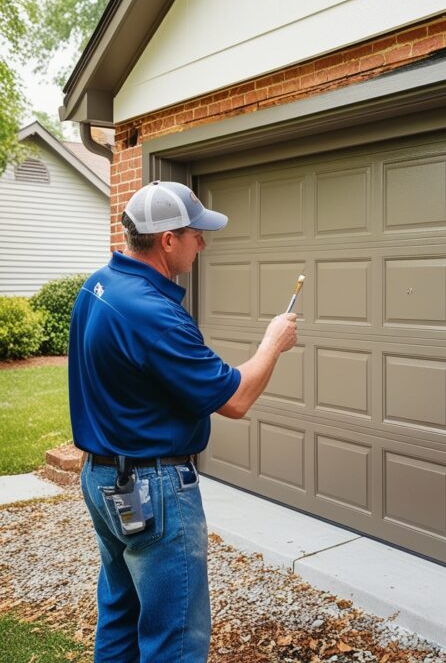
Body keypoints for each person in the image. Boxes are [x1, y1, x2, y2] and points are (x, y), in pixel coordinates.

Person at [68, 180, 297, 663]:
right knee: (175, 638)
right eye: (197, 233)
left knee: (120, 612)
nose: (204, 242)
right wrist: (272, 343)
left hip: (103, 476)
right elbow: (234, 399)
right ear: (168, 239)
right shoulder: (152, 313)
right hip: (153, 489)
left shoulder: (99, 286)